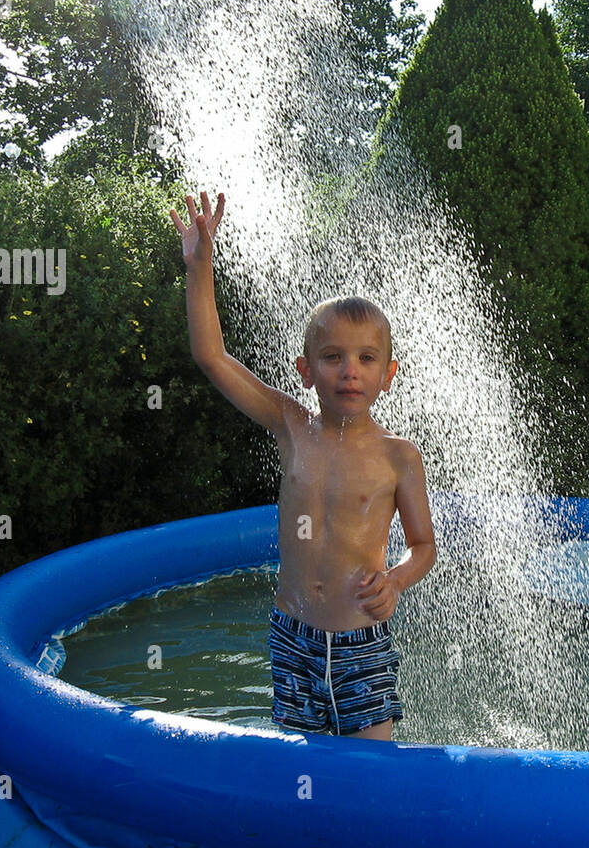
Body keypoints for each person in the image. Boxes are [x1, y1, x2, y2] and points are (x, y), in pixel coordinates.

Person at [172, 192, 436, 740]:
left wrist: (396, 580)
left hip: (359, 639)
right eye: (332, 357)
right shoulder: (290, 425)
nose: (349, 371)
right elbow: (212, 358)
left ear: (388, 375)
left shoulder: (398, 455)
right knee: (300, 765)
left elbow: (424, 545)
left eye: (366, 359)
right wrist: (200, 268)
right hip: (292, 635)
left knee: (369, 769)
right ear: (306, 370)